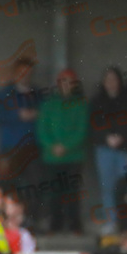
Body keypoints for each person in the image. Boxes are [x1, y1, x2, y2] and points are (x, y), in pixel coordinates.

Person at [90, 66, 127, 231]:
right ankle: (111, 222)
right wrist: (106, 138)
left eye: (114, 79)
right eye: (108, 80)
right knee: (108, 187)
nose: (111, 83)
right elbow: (92, 127)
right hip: (104, 150)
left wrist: (122, 137)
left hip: (125, 150)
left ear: (120, 81)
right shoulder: (96, 102)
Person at [0, 57, 43, 222]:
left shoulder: (37, 93)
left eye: (27, 73)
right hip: (9, 147)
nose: (24, 76)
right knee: (7, 186)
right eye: (20, 72)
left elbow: (47, 114)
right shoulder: (5, 93)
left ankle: (32, 222)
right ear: (15, 73)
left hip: (31, 147)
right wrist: (18, 115)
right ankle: (6, 221)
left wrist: (37, 114)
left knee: (34, 187)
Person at [37, 69, 88, 234]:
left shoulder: (81, 104)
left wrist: (66, 146)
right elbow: (41, 129)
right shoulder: (48, 104)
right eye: (63, 81)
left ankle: (75, 225)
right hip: (52, 158)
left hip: (73, 157)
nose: (66, 85)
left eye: (69, 81)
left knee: (72, 194)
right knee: (53, 194)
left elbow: (82, 130)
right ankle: (55, 225)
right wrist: (53, 146)